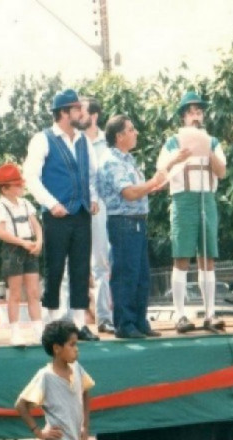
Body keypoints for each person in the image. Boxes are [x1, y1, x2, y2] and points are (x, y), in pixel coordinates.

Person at [23, 89, 99, 342]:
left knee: (80, 268)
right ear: (64, 113)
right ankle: (53, 323)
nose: (81, 113)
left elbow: (90, 175)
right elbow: (30, 177)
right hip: (56, 215)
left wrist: (94, 198)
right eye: (77, 109)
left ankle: (79, 322)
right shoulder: (43, 139)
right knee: (54, 268)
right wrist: (51, 203)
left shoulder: (84, 140)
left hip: (81, 213)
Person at [156, 91, 228, 333]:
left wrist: (207, 152)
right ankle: (180, 315)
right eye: (191, 113)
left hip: (206, 198)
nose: (196, 116)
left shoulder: (214, 142)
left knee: (208, 257)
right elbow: (161, 172)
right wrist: (177, 158)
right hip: (183, 199)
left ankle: (210, 313)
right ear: (183, 118)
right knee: (181, 256)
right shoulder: (172, 142)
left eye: (199, 112)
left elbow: (222, 172)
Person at [96, 114, 165, 339]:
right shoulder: (112, 161)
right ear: (119, 136)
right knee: (126, 274)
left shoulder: (127, 159)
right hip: (124, 223)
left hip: (136, 222)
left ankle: (138, 320)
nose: (136, 133)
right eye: (131, 129)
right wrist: (153, 182)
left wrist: (153, 186)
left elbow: (137, 189)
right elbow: (128, 193)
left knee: (141, 275)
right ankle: (124, 324)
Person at [0, 163, 44, 346]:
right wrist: (22, 242)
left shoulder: (26, 203)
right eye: (17, 185)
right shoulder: (0, 207)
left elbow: (35, 223)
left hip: (30, 248)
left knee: (34, 291)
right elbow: (1, 232)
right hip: (13, 249)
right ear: (5, 189)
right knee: (14, 292)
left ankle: (38, 329)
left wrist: (39, 241)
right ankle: (15, 331)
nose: (21, 187)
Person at [79, 97, 115, 335]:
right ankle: (77, 321)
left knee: (102, 262)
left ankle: (104, 317)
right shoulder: (73, 141)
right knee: (75, 265)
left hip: (101, 208)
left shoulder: (107, 143)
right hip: (77, 206)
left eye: (80, 111)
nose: (75, 114)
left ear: (93, 116)